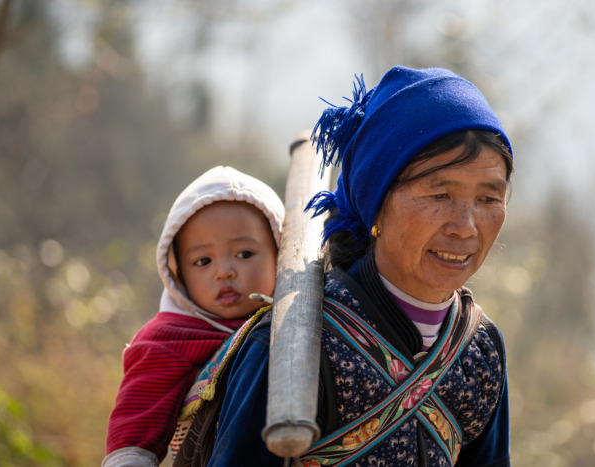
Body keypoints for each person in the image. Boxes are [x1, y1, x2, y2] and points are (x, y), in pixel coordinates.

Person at [205, 65, 514, 466]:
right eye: (440, 196)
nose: (466, 227)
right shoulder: (293, 344)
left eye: (489, 200)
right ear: (376, 206)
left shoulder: (480, 350)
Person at [103, 165, 285, 467]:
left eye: (244, 254)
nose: (224, 271)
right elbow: (136, 416)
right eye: (203, 260)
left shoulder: (306, 316)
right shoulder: (170, 339)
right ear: (179, 276)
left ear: (280, 253)